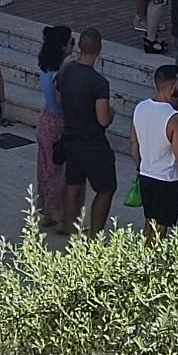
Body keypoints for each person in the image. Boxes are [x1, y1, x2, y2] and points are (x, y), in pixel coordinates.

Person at [56, 27, 117, 234]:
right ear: (98, 50)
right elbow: (103, 120)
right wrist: (112, 113)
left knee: (73, 186)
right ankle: (95, 236)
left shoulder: (66, 70)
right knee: (106, 188)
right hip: (92, 142)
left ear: (79, 46)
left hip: (70, 137)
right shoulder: (99, 83)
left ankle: (70, 230)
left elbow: (58, 100)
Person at [131, 64, 178, 236]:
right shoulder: (174, 118)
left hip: (146, 174)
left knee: (149, 223)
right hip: (167, 179)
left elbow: (134, 145)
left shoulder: (140, 107)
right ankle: (151, 262)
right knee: (160, 230)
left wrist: (140, 167)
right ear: (171, 87)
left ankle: (143, 258)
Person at [34, 25, 74, 232]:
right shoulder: (61, 71)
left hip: (45, 119)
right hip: (58, 122)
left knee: (45, 167)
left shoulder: (44, 67)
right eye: (70, 42)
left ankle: (46, 212)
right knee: (58, 171)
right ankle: (60, 217)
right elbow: (61, 101)